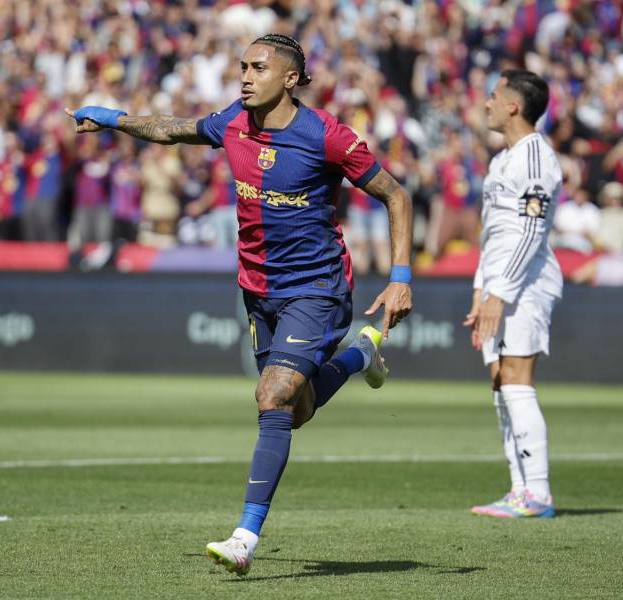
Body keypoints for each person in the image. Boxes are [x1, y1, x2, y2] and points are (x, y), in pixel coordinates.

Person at [66, 33, 413, 575]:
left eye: (258, 67)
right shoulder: (233, 122)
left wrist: (400, 277)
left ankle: (244, 537)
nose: (246, 76)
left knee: (272, 397)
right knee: (292, 411)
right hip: (258, 290)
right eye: (242, 67)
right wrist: (113, 118)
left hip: (316, 287)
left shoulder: (327, 135)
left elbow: (396, 194)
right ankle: (360, 357)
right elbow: (171, 130)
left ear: (290, 78)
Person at [464, 70, 563, 519]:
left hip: (525, 285)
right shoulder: (502, 160)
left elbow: (530, 231)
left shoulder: (536, 158)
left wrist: (499, 293)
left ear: (513, 106)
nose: (486, 103)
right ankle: (519, 489)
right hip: (499, 286)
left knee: (518, 382)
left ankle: (537, 494)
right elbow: (494, 234)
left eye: (493, 96)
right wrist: (481, 289)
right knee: (501, 383)